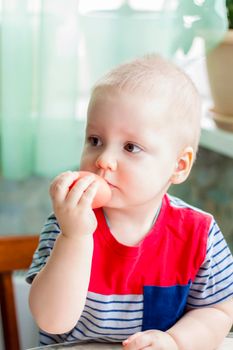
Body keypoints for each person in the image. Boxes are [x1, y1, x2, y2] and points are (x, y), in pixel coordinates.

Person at [26, 55, 233, 350]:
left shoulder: (199, 234)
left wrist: (175, 341)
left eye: (131, 147)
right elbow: (52, 321)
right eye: (95, 140)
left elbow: (218, 310)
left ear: (178, 165)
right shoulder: (67, 222)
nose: (104, 160)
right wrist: (76, 237)